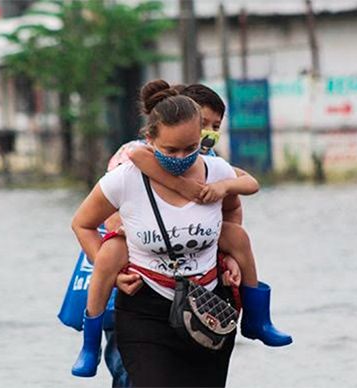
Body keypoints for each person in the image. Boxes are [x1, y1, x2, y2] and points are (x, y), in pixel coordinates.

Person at [71, 80, 289, 386]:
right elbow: (133, 166)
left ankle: (257, 319)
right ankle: (89, 345)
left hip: (203, 299)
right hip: (143, 291)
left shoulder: (215, 167)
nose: (182, 155)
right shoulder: (133, 160)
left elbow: (238, 202)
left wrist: (228, 258)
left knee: (238, 239)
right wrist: (187, 186)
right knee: (111, 255)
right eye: (204, 123)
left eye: (212, 128)